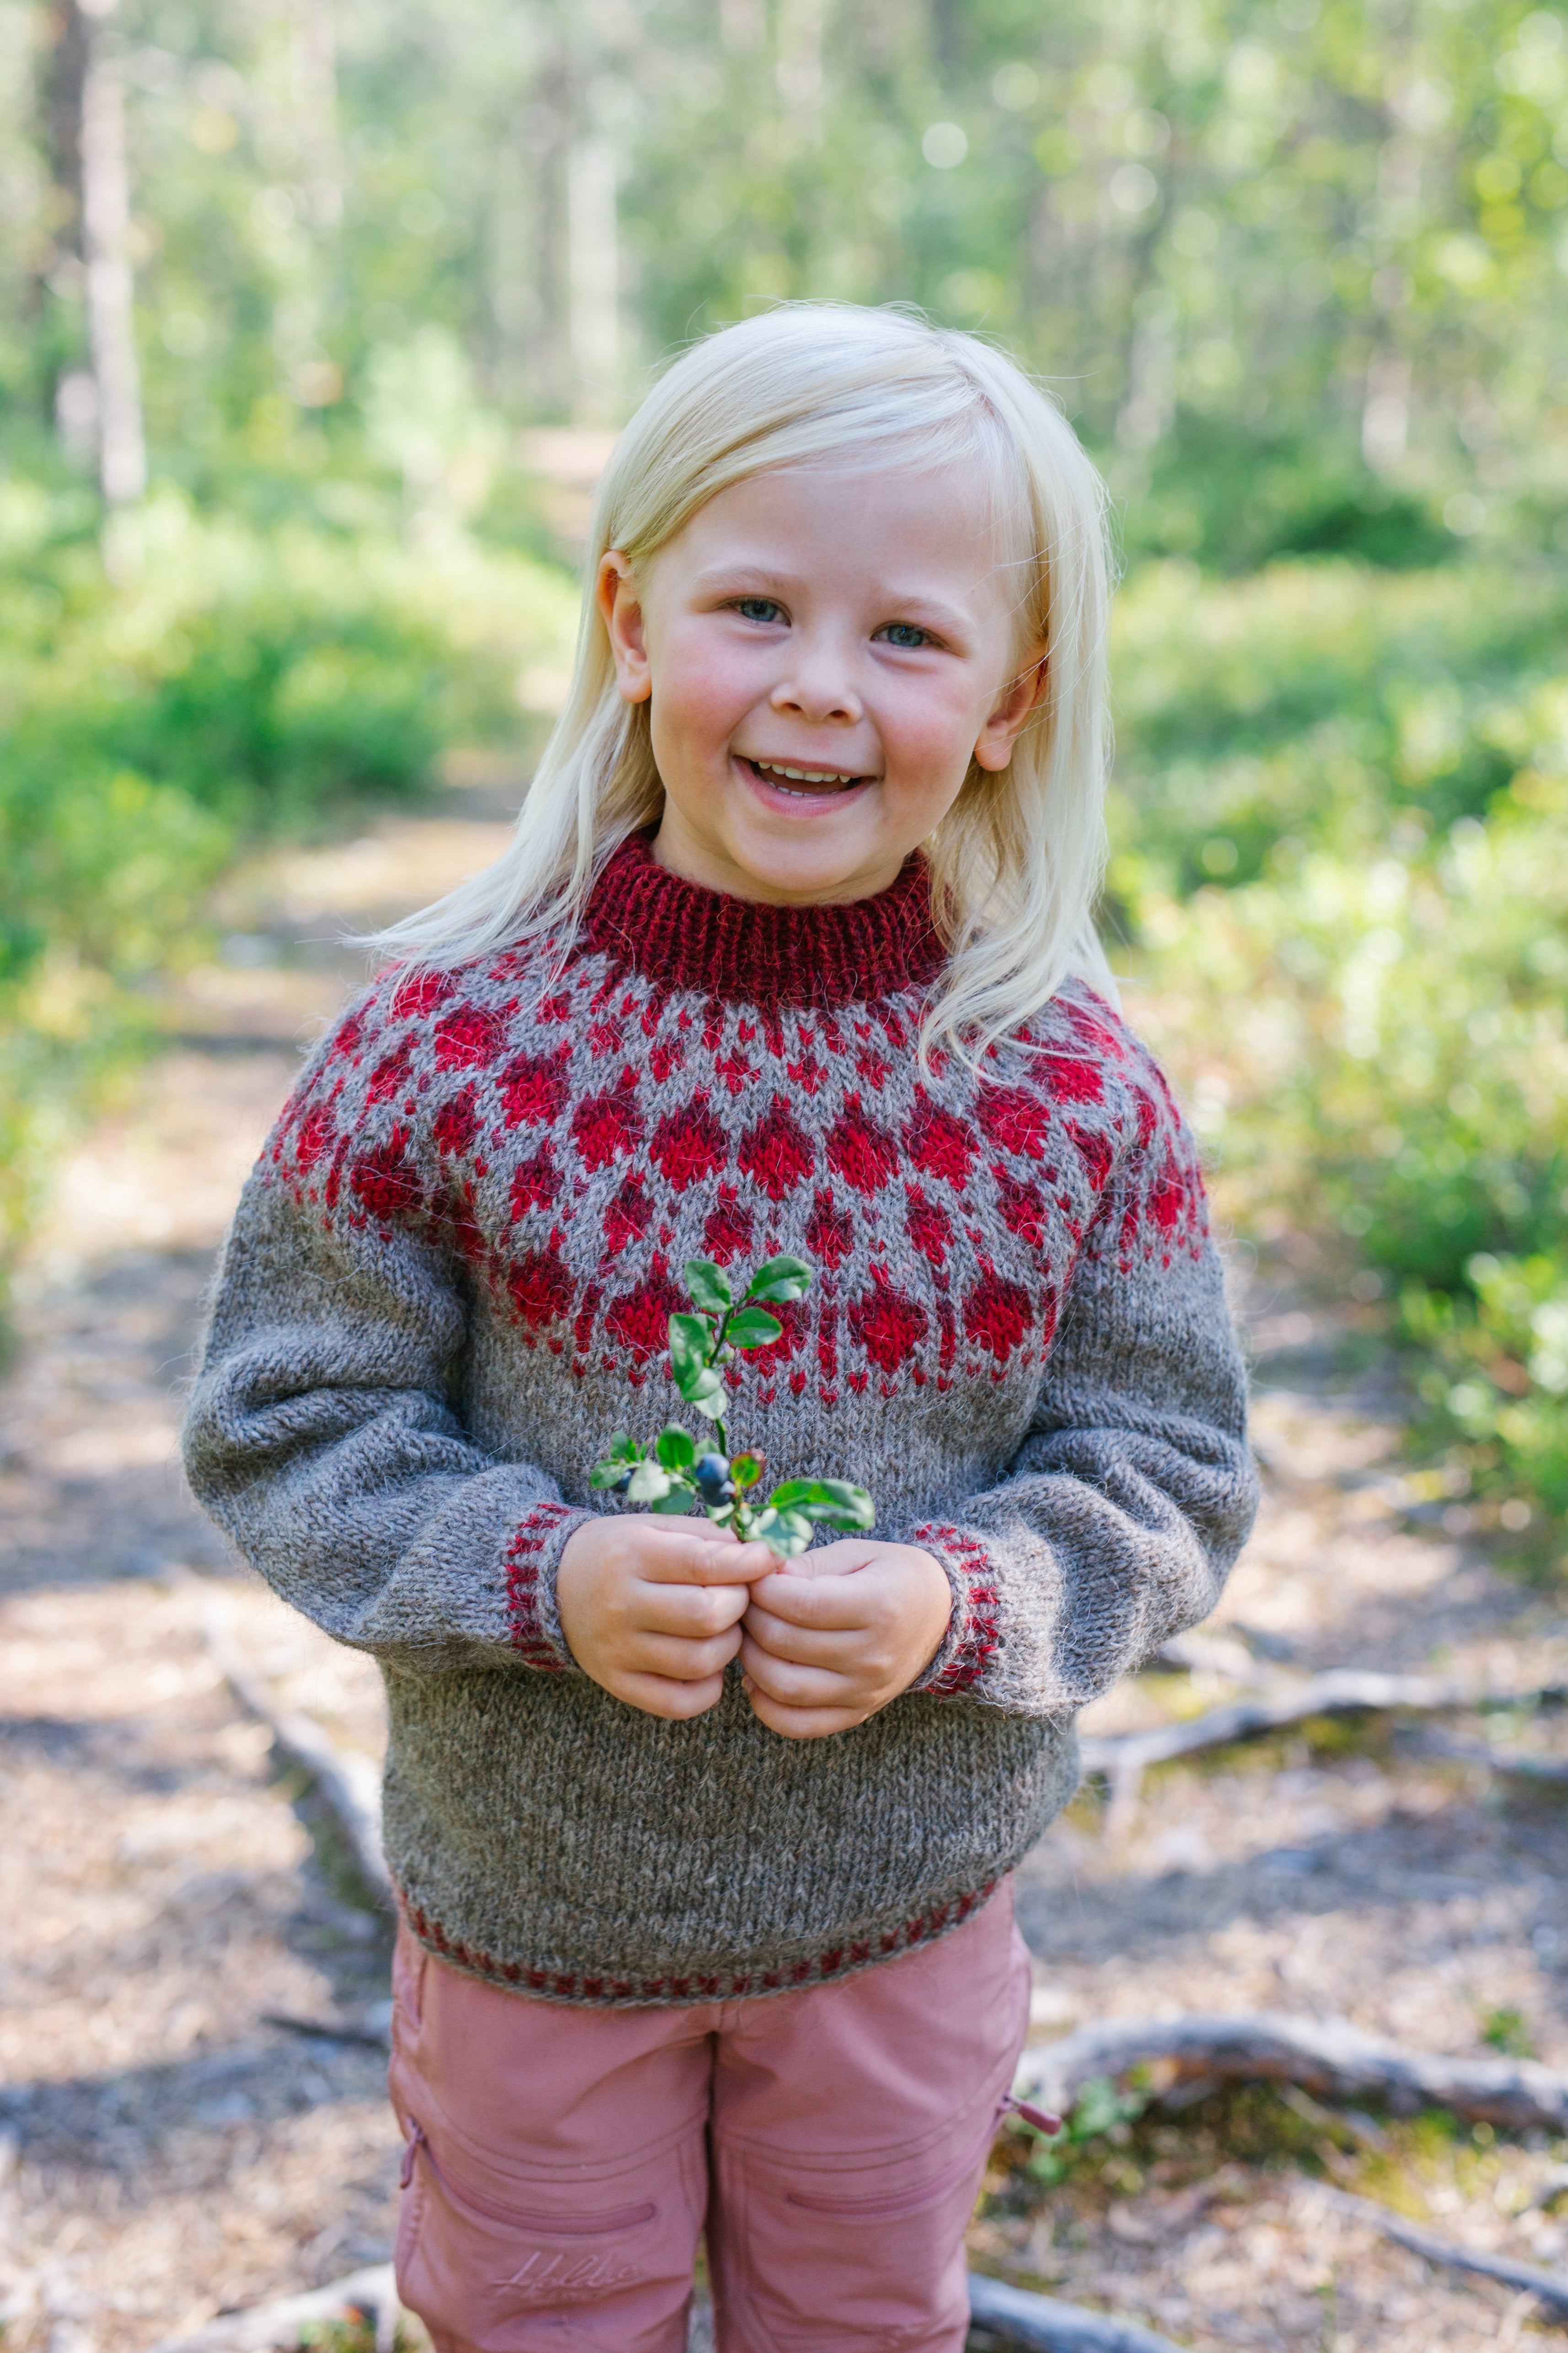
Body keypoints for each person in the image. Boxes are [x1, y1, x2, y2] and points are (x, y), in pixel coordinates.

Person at [183, 303, 1258, 2353]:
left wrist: (957, 1598)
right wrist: (541, 1566)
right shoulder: (449, 1052)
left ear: (1015, 697)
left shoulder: (1057, 1089)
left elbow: (1172, 1470)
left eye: (909, 638)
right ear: (627, 619)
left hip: (900, 1925)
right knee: (536, 2315)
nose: (820, 691)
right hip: (533, 1926)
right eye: (754, 605)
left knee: (859, 2315)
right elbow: (284, 1417)